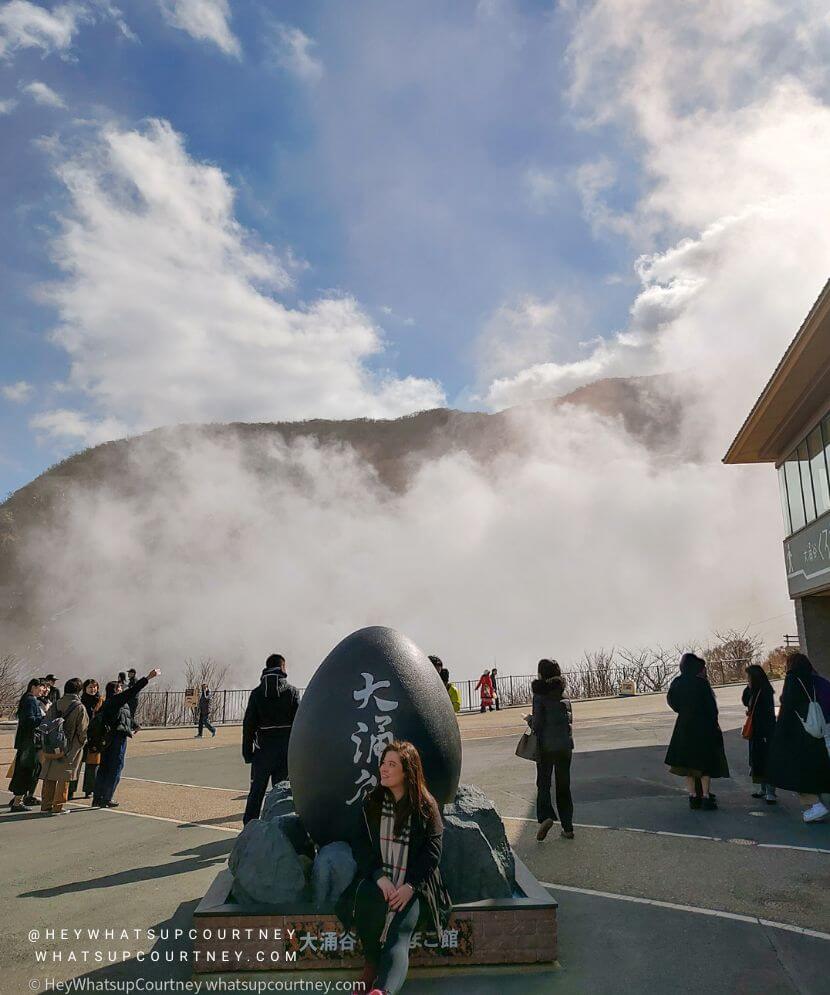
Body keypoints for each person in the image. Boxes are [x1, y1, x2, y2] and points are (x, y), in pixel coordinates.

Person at [336, 741, 451, 995]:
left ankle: (383, 991)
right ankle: (370, 967)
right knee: (367, 903)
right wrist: (379, 877)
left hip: (416, 885)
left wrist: (410, 886)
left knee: (399, 933)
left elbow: (432, 854)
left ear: (408, 771)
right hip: (381, 878)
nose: (384, 769)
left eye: (391, 764)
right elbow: (360, 845)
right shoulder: (372, 802)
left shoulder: (426, 807)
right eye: (383, 763)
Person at [768, 653, 830, 823]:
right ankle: (816, 804)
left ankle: (815, 805)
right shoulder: (812, 679)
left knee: (798, 773)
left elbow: (788, 706)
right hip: (814, 732)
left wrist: (779, 734)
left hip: (798, 734)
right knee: (813, 770)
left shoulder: (793, 679)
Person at [665, 653, 729, 810]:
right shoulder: (702, 684)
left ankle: (693, 796)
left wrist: (683, 710)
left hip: (684, 726)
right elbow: (712, 708)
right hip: (703, 726)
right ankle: (706, 796)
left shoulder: (677, 682)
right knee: (704, 764)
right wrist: (714, 724)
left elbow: (672, 702)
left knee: (688, 765)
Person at [242, 654, 300, 824]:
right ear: (282, 668)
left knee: (256, 791)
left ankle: (249, 826)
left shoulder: (257, 693)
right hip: (284, 750)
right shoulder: (292, 692)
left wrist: (247, 752)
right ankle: (281, 826)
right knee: (281, 793)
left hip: (263, 750)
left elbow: (248, 725)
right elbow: (299, 724)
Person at [92, 668, 161, 808]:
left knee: (105, 767)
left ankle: (98, 797)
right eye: (119, 687)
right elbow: (133, 691)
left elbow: (123, 717)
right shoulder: (116, 700)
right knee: (115, 767)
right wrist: (148, 677)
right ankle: (106, 797)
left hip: (111, 737)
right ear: (115, 690)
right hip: (116, 738)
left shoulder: (113, 703)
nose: (121, 688)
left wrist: (134, 725)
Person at [531, 659, 575, 840]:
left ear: (541, 674)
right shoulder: (564, 693)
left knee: (543, 784)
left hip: (546, 747)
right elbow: (569, 720)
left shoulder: (540, 695)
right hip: (565, 746)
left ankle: (546, 816)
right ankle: (568, 828)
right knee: (564, 787)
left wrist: (529, 719)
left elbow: (537, 724)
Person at [39, 677, 89, 815]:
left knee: (50, 775)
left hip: (51, 744)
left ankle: (46, 805)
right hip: (69, 746)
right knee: (64, 776)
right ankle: (58, 806)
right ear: (79, 690)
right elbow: (83, 731)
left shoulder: (56, 704)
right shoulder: (79, 707)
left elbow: (46, 722)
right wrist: (81, 743)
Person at [741, 665, 777, 804]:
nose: (747, 680)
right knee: (758, 760)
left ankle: (770, 792)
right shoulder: (755, 690)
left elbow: (766, 714)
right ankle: (763, 789)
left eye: (748, 677)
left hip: (764, 732)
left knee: (766, 761)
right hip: (757, 732)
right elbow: (745, 701)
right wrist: (747, 688)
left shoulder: (764, 691)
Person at [8, 679, 45, 811]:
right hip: (29, 742)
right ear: (34, 687)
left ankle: (17, 800)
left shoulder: (27, 699)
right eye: (41, 687)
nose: (43, 690)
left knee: (24, 770)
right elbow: (29, 721)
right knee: (26, 771)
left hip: (26, 742)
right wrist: (44, 717)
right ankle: (17, 802)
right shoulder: (30, 700)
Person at [69, 679, 104, 799]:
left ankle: (89, 790)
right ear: (85, 689)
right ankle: (70, 790)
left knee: (92, 766)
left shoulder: (101, 701)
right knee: (75, 765)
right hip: (80, 736)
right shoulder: (80, 701)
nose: (93, 689)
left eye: (95, 687)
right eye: (90, 687)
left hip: (95, 737)